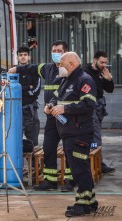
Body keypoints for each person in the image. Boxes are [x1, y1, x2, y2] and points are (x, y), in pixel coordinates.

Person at [9, 40, 74, 192]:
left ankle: (70, 181)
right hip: (52, 117)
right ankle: (50, 181)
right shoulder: (47, 68)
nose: (55, 53)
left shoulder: (70, 70)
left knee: (69, 149)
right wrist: (15, 69)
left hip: (66, 116)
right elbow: (31, 68)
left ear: (65, 53)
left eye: (58, 50)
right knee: (48, 147)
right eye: (54, 50)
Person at [46, 52, 98, 217]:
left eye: (61, 64)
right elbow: (56, 98)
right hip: (69, 132)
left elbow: (88, 104)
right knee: (79, 168)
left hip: (79, 132)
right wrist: (51, 105)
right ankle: (89, 201)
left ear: (71, 63)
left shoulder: (84, 79)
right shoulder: (65, 80)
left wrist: (65, 109)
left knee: (79, 169)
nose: (59, 67)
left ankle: (82, 204)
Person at [84, 51, 115, 173]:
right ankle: (98, 164)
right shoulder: (86, 72)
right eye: (101, 62)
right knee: (96, 136)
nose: (104, 65)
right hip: (90, 107)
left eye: (105, 63)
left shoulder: (102, 72)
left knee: (95, 136)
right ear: (94, 60)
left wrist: (109, 79)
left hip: (100, 107)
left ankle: (96, 162)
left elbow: (110, 89)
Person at [16, 46, 41, 147]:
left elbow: (36, 91)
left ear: (29, 57)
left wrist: (21, 89)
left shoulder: (34, 71)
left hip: (30, 111)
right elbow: (11, 89)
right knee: (15, 141)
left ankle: (34, 163)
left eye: (25, 55)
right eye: (20, 55)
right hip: (16, 110)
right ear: (17, 57)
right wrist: (27, 87)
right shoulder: (14, 71)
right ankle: (17, 163)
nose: (23, 57)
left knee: (33, 142)